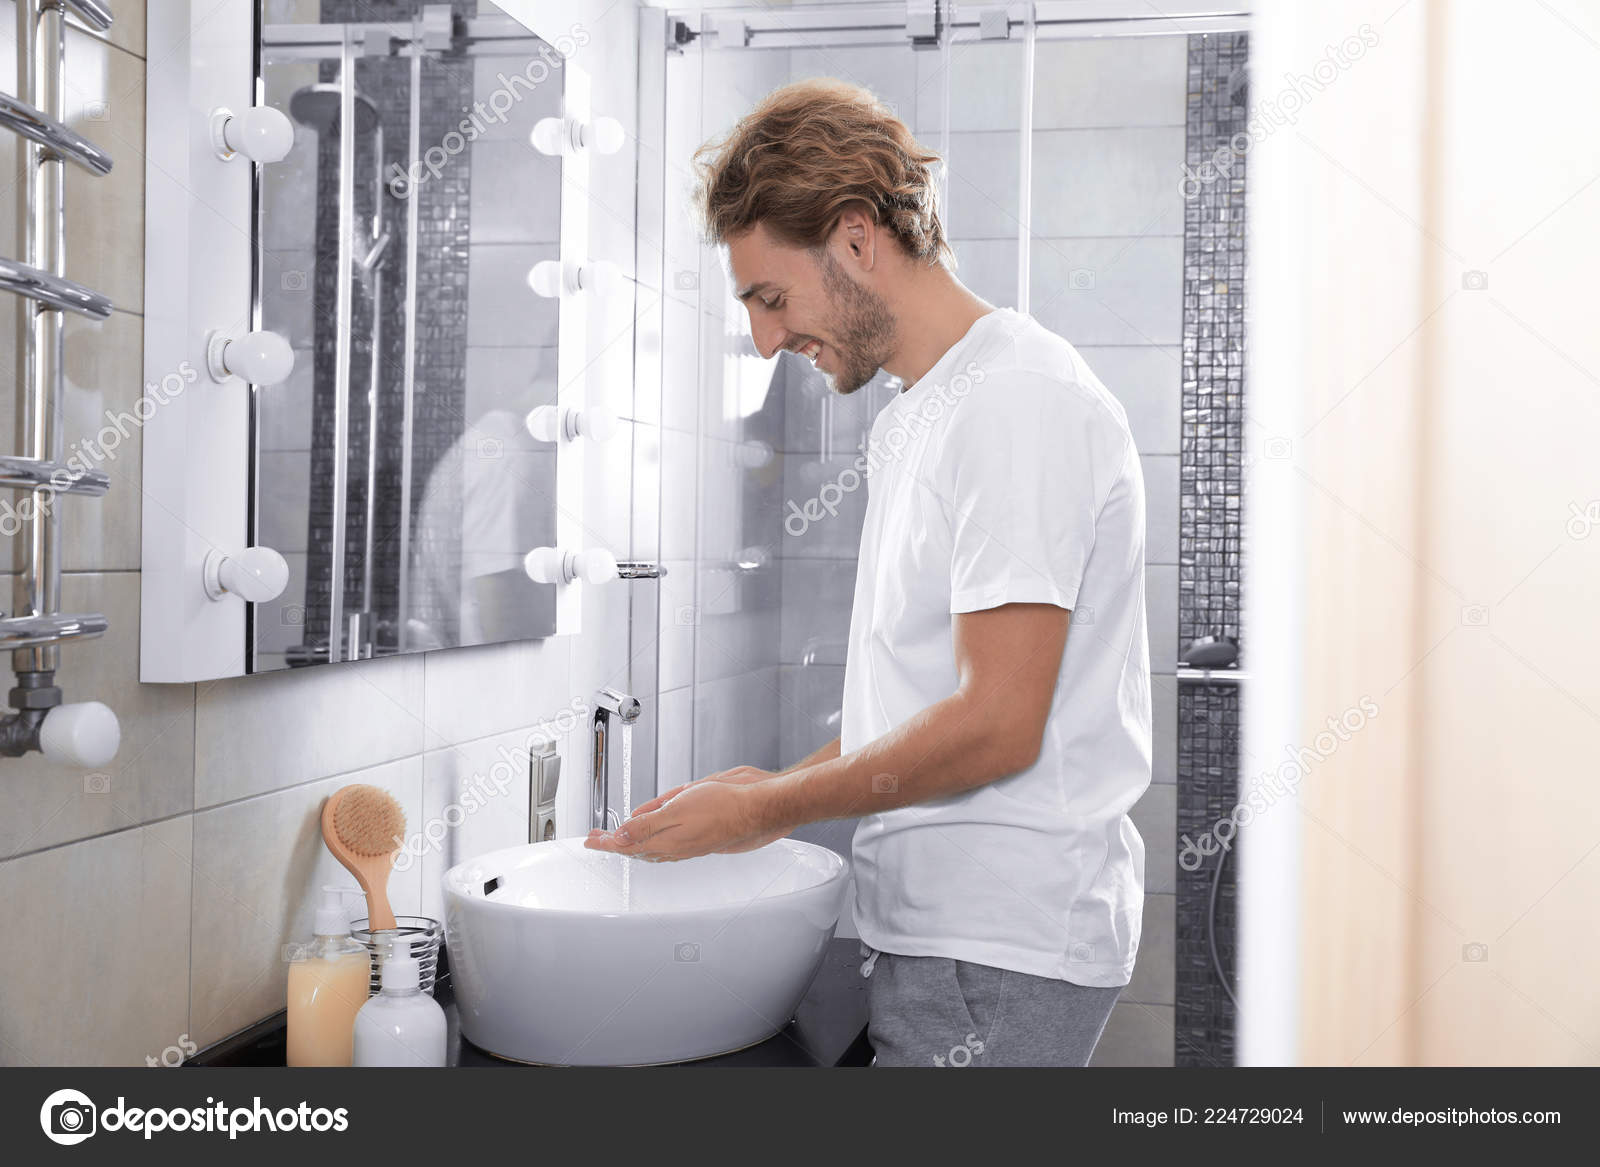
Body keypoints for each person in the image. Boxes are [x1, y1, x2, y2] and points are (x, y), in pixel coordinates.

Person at [587, 78, 1151, 1067]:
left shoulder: (1014, 401)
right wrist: (771, 785)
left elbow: (997, 723)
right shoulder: (922, 414)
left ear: (854, 238)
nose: (765, 339)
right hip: (949, 938)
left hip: (999, 948)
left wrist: (763, 812)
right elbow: (915, 704)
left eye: (771, 297)